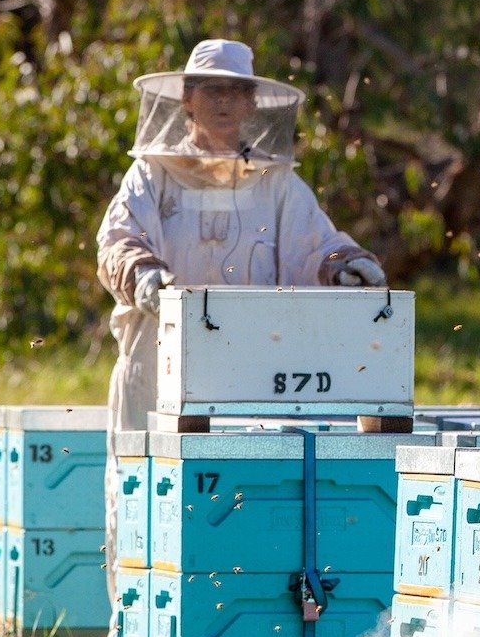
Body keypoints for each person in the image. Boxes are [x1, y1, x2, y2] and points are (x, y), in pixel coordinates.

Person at [95, 36, 386, 440]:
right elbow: (118, 239)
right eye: (213, 90)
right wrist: (141, 274)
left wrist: (344, 264)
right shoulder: (152, 174)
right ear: (187, 98)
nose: (224, 102)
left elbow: (315, 243)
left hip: (252, 366)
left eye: (237, 91)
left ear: (251, 103)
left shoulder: (275, 181)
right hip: (158, 355)